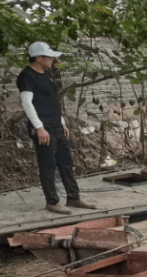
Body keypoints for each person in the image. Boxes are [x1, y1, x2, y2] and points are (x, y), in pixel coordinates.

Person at [17, 41, 95, 215]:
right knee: (48, 164)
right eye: (49, 56)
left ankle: (73, 197)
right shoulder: (27, 76)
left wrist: (61, 121)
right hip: (43, 127)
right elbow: (27, 103)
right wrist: (39, 127)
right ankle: (52, 201)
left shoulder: (47, 74)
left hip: (56, 125)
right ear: (38, 58)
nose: (53, 59)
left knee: (65, 161)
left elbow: (52, 100)